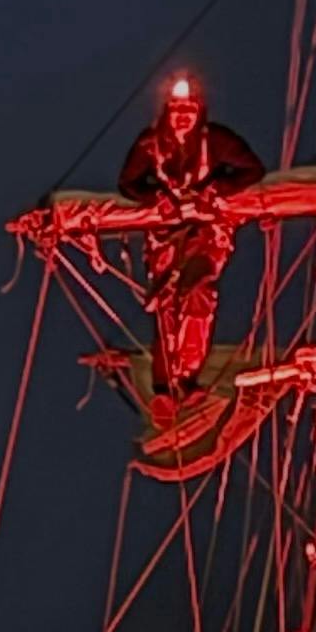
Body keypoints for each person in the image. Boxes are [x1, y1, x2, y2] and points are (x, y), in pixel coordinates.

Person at [118, 72, 264, 399]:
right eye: (176, 111)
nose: (182, 118)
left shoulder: (215, 142)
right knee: (166, 301)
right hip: (166, 235)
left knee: (197, 292)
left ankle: (187, 374)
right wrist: (155, 197)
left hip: (207, 232)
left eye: (189, 111)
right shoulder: (150, 145)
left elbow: (252, 169)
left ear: (199, 113)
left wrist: (216, 189)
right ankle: (164, 384)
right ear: (166, 113)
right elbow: (128, 182)